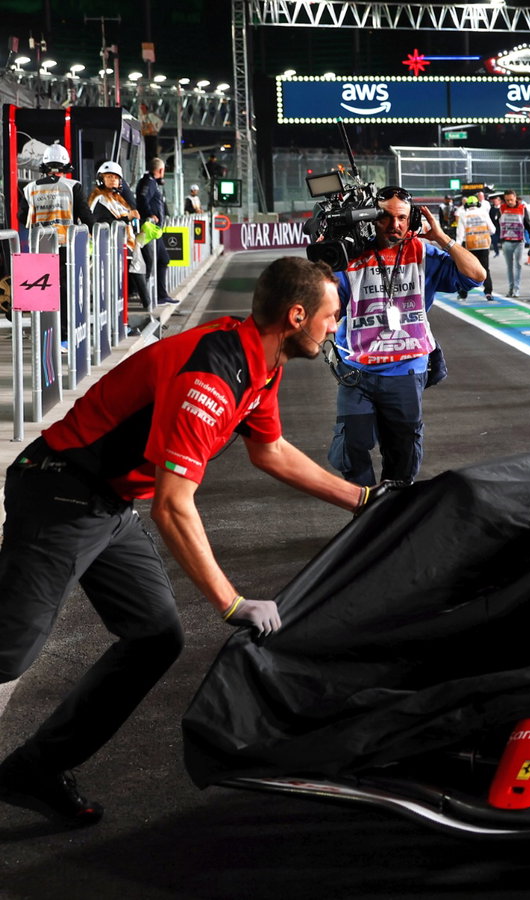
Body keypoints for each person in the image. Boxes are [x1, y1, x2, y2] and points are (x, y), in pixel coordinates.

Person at [0, 256, 374, 827]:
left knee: (154, 637)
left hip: (108, 501)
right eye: (332, 314)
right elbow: (173, 505)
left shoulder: (261, 362)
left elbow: (270, 450)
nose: (335, 325)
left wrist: (364, 500)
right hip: (60, 490)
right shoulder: (212, 377)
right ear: (297, 316)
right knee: (9, 651)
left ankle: (34, 770)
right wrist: (230, 601)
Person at [328, 186, 485, 486]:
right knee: (351, 448)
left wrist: (442, 238)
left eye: (401, 218)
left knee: (403, 457)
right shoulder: (352, 257)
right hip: (357, 371)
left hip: (406, 369)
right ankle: (365, 506)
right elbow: (329, 309)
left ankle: (393, 507)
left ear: (411, 220)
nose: (394, 225)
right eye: (385, 217)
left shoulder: (424, 253)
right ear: (371, 218)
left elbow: (476, 275)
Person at [86, 161, 150, 310]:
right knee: (114, 285)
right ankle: (143, 306)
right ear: (101, 179)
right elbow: (101, 223)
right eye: (109, 177)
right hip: (108, 249)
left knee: (135, 273)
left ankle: (146, 305)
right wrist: (127, 218)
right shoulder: (99, 199)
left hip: (125, 245)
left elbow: (127, 218)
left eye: (115, 177)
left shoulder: (118, 198)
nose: (113, 180)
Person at [24, 142, 92, 256]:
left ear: (44, 167)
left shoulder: (30, 188)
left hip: (39, 245)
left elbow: (22, 216)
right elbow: (85, 215)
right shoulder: (73, 186)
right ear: (66, 167)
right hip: (67, 245)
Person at [135, 158, 176, 304]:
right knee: (160, 260)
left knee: (159, 260)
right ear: (161, 170)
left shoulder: (151, 182)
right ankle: (156, 296)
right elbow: (142, 197)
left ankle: (159, 295)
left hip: (154, 229)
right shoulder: (149, 182)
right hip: (150, 229)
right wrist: (149, 214)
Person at [454, 194, 495, 300]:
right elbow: (493, 230)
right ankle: (488, 292)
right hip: (483, 245)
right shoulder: (484, 213)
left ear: (467, 205)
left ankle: (463, 293)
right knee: (485, 269)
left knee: (466, 269)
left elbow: (460, 234)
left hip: (470, 246)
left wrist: (457, 248)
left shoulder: (463, 215)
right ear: (478, 204)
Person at [497, 190, 530, 298]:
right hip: (506, 241)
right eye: (507, 200)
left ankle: (516, 289)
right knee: (509, 266)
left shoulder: (522, 208)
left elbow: (527, 223)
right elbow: (496, 224)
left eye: (511, 200)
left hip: (519, 241)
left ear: (515, 198)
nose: (509, 202)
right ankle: (510, 289)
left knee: (518, 265)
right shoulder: (502, 208)